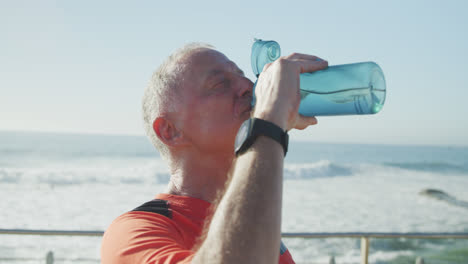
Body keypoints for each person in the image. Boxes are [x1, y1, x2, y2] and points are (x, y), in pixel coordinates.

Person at [101, 43, 328, 264]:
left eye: (242, 75)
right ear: (170, 131)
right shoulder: (133, 232)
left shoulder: (254, 212)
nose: (248, 86)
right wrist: (268, 122)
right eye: (220, 84)